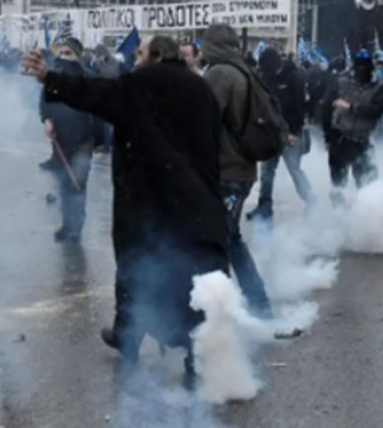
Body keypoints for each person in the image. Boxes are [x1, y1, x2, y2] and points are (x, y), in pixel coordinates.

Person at [20, 35, 229, 388]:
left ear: (158, 56)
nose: (134, 59)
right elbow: (214, 143)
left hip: (148, 200)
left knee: (136, 269)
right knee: (194, 277)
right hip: (195, 200)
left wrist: (49, 79)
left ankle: (128, 341)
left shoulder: (138, 85)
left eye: (141, 53)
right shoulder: (200, 89)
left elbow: (94, 93)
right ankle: (198, 355)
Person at [200, 23, 272, 317]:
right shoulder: (244, 70)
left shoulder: (220, 73)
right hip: (241, 168)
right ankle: (257, 304)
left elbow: (205, 118)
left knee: (220, 241)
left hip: (227, 170)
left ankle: (223, 309)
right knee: (231, 238)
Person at [39, 38, 101, 242]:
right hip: (60, 141)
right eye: (62, 53)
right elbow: (44, 102)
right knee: (64, 184)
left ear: (79, 55)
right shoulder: (54, 77)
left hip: (83, 141)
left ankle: (76, 228)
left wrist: (98, 139)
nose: (64, 57)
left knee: (77, 184)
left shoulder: (89, 79)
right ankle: (67, 224)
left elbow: (100, 111)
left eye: (69, 53)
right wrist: (46, 120)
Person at [247, 48, 314, 221]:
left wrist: (294, 131)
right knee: (267, 170)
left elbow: (301, 106)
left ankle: (311, 199)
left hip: (291, 132)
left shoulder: (294, 76)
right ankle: (264, 205)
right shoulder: (266, 77)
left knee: (294, 169)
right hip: (272, 131)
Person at [321, 49, 383, 203]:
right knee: (338, 185)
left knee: (367, 185)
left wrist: (351, 107)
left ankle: (363, 217)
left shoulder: (378, 89)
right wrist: (328, 137)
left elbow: (376, 111)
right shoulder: (340, 83)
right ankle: (340, 217)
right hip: (340, 139)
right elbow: (326, 109)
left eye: (365, 67)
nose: (361, 70)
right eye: (359, 67)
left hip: (362, 141)